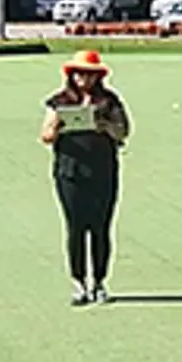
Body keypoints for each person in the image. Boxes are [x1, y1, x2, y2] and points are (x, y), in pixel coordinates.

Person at [42, 50, 132, 305]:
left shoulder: (109, 101)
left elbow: (124, 131)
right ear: (71, 75)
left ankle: (100, 282)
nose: (85, 78)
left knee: (101, 228)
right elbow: (45, 136)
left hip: (103, 172)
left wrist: (105, 126)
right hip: (70, 173)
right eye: (80, 73)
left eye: (90, 74)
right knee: (76, 228)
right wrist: (58, 126)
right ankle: (79, 282)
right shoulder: (59, 102)